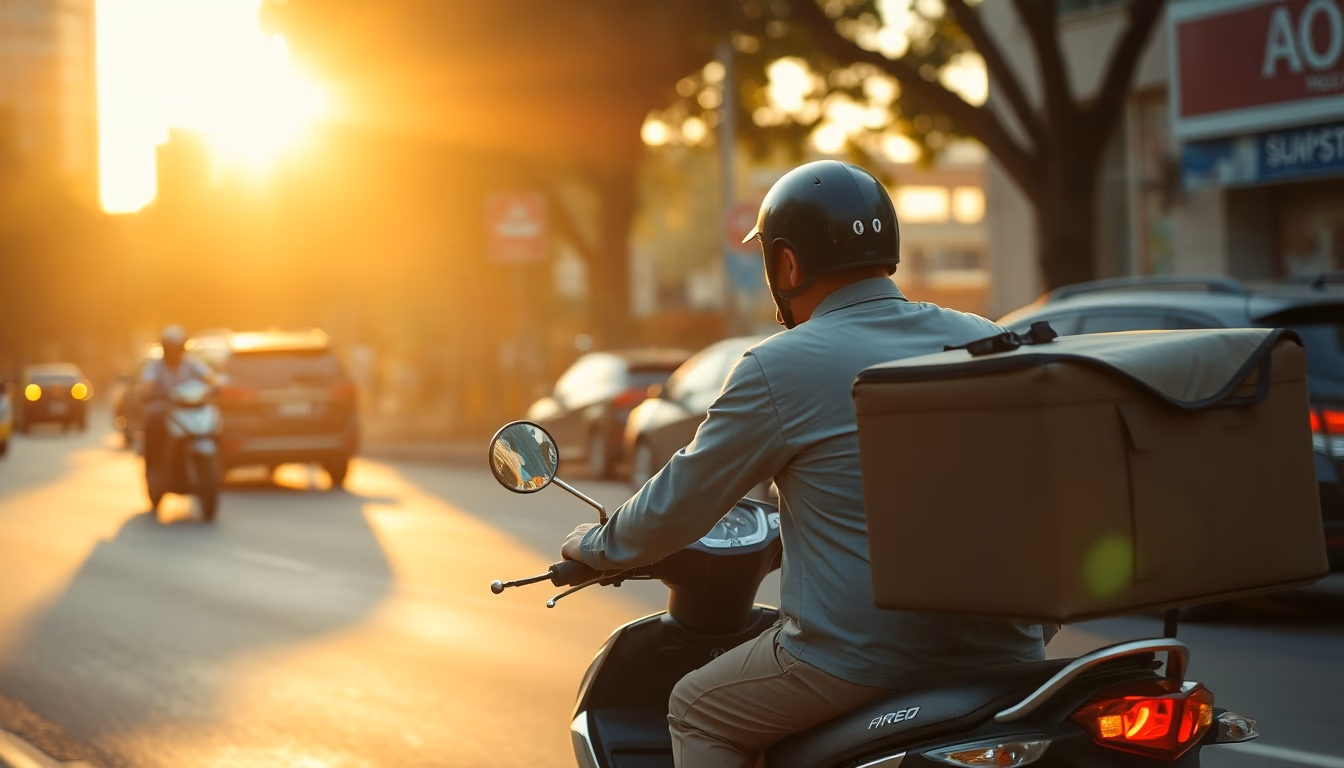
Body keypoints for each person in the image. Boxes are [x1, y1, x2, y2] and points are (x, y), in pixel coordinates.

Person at [559, 160, 1046, 767]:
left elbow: (681, 499)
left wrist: (598, 546)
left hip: (858, 661)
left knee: (695, 708)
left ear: (787, 264)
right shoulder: (978, 334)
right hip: (1007, 650)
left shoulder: (780, 365)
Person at [140, 326, 213, 469]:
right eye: (171, 348)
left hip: (190, 407)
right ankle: (154, 465)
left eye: (178, 347)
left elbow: (210, 377)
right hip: (165, 406)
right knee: (152, 418)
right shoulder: (155, 366)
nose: (175, 352)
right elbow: (146, 385)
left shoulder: (191, 363)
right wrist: (149, 392)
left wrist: (216, 387)